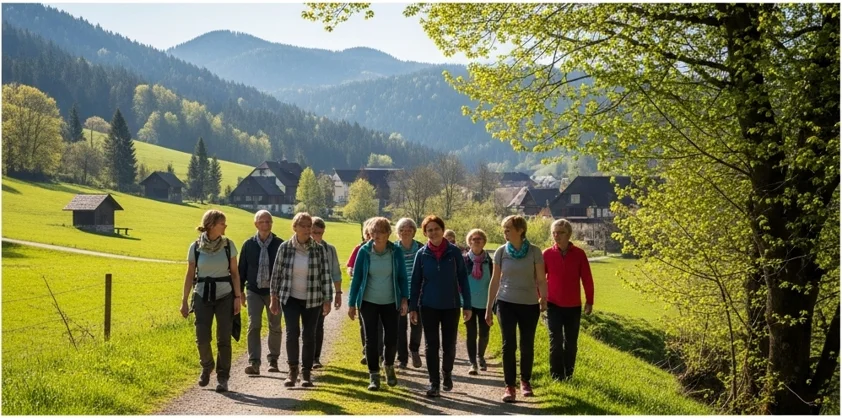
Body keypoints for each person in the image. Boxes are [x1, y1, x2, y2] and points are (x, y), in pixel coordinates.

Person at [485, 215, 547, 403]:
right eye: (504, 230)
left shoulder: (535, 252)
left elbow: (541, 279)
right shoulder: (501, 252)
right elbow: (494, 280)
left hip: (529, 304)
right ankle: (509, 386)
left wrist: (544, 298)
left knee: (527, 344)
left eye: (508, 229)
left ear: (520, 230)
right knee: (508, 344)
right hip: (505, 302)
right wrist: (488, 308)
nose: (505, 233)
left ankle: (525, 382)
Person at [180, 209, 243, 393]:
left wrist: (238, 297)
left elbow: (235, 273)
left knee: (224, 339)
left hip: (225, 296)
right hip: (201, 295)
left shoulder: (228, 245)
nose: (226, 226)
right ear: (211, 225)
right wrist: (184, 300)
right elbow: (190, 274)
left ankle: (223, 377)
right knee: (202, 338)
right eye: (223, 223)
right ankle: (207, 366)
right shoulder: (195, 247)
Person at [409, 215, 472, 397]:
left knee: (449, 345)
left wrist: (466, 304)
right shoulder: (421, 254)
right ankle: (434, 383)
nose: (433, 232)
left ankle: (447, 372)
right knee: (431, 345)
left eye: (436, 228)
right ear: (425, 233)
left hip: (451, 305)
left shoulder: (454, 253)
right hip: (428, 305)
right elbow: (415, 282)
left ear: (442, 230)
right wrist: (413, 307)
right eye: (429, 230)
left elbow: (463, 279)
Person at [269, 212, 333, 388]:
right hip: (290, 297)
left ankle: (306, 374)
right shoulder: (285, 247)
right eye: (302, 226)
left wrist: (328, 299)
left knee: (309, 335)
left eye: (308, 226)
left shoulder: (318, 249)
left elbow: (325, 275)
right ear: (295, 227)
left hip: (313, 299)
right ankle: (292, 371)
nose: (306, 229)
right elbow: (276, 274)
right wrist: (273, 298)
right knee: (292, 333)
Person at [347, 217, 409, 391]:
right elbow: (357, 278)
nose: (378, 236)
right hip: (369, 302)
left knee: (391, 338)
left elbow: (402, 277)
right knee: (371, 340)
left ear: (388, 233)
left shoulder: (395, 252)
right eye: (374, 232)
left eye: (381, 232)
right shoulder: (364, 251)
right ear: (370, 234)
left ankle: (388, 366)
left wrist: (404, 298)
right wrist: (352, 304)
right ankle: (373, 375)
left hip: (391, 302)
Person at [543, 219, 594, 381]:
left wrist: (589, 301)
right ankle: (556, 376)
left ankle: (568, 375)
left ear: (569, 234)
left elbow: (587, 278)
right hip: (553, 304)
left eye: (560, 232)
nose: (556, 236)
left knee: (571, 344)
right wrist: (540, 297)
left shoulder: (579, 254)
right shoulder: (547, 254)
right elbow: (539, 279)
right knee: (556, 342)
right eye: (554, 233)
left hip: (573, 306)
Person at [238, 210, 283, 376]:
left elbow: (285, 270)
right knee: (254, 325)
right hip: (254, 291)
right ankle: (254, 363)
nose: (266, 225)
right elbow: (241, 269)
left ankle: (273, 360)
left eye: (269, 222)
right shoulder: (248, 244)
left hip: (275, 292)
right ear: (256, 224)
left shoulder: (280, 244)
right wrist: (240, 292)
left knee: (275, 325)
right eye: (262, 222)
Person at [347, 219, 384, 365]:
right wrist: (352, 271)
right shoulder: (360, 248)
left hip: (381, 294)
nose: (372, 236)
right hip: (363, 293)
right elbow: (350, 265)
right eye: (369, 233)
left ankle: (379, 353)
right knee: (364, 325)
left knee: (379, 325)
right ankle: (367, 350)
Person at [311, 216, 343, 369]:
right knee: (304, 327)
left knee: (318, 326)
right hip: (302, 294)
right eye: (314, 232)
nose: (316, 236)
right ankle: (304, 357)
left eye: (319, 233)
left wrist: (338, 293)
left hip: (323, 294)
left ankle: (315, 358)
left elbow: (336, 272)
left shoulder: (329, 249)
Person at [394, 217, 424, 369]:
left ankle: (414, 350)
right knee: (400, 327)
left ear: (414, 231)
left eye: (408, 230)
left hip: (417, 292)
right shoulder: (392, 248)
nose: (405, 232)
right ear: (397, 233)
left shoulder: (421, 248)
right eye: (402, 230)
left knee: (417, 324)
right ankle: (402, 358)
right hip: (398, 293)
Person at [463, 228, 494, 376]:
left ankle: (481, 356)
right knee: (471, 333)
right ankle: (472, 363)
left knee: (484, 332)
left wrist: (493, 303)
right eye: (473, 239)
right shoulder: (464, 260)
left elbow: (495, 282)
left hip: (485, 303)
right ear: (469, 242)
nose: (476, 241)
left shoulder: (490, 261)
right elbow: (459, 283)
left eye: (479, 239)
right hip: (469, 303)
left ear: (484, 242)